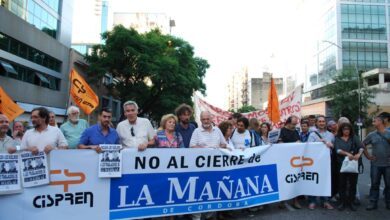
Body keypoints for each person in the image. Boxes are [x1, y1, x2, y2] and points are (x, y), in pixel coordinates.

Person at [189, 111, 227, 220]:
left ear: (211, 119)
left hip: (216, 168)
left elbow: (224, 144)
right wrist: (207, 151)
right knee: (199, 192)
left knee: (213, 191)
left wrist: (220, 148)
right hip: (201, 169)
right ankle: (196, 217)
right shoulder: (196, 131)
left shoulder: (217, 130)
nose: (205, 121)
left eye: (207, 119)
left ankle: (209, 216)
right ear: (200, 120)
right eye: (203, 119)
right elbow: (191, 147)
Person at [307, 115, 335, 210]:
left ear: (325, 123)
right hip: (315, 162)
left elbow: (334, 148)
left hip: (327, 162)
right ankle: (312, 201)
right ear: (316, 123)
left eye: (323, 121)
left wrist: (331, 145)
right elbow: (308, 147)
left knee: (326, 181)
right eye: (320, 121)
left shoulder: (331, 135)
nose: (322, 123)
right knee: (314, 180)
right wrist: (318, 142)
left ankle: (325, 201)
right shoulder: (312, 135)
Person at [334, 123, 364, 211]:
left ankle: (351, 202)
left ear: (350, 130)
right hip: (341, 164)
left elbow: (361, 147)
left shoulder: (354, 137)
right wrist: (347, 154)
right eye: (344, 129)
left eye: (348, 129)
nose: (346, 130)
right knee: (342, 184)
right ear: (341, 130)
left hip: (353, 164)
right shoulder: (338, 138)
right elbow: (338, 150)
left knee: (353, 185)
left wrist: (358, 154)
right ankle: (342, 202)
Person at [364, 114, 390, 211]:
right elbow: (363, 145)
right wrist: (368, 156)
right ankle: (373, 202)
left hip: (388, 164)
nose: (373, 122)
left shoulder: (389, 133)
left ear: (381, 121)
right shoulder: (371, 135)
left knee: (389, 184)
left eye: (375, 120)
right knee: (374, 184)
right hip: (375, 164)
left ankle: (388, 202)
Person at [277, 115, 301, 210]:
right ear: (288, 123)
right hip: (284, 159)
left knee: (295, 178)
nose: (294, 126)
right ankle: (282, 201)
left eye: (295, 124)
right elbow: (279, 143)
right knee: (285, 179)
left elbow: (299, 140)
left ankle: (295, 200)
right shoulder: (281, 131)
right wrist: (292, 145)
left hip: (295, 159)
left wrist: (298, 142)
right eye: (293, 124)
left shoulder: (295, 131)